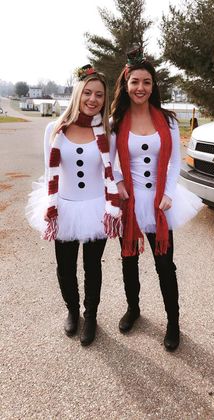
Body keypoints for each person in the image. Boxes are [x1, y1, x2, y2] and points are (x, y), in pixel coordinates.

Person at [110, 47, 203, 351]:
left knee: (166, 265)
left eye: (146, 82)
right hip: (131, 205)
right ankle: (133, 309)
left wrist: (168, 193)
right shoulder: (116, 121)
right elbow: (109, 161)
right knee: (129, 262)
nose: (140, 88)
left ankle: (173, 322)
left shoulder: (169, 120)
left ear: (153, 86)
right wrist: (120, 183)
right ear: (126, 85)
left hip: (160, 204)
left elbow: (175, 160)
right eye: (135, 82)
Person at [26, 65, 122, 346]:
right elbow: (48, 169)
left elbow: (113, 170)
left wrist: (121, 194)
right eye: (88, 93)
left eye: (100, 95)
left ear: (105, 100)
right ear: (78, 94)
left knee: (93, 266)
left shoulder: (107, 131)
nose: (93, 100)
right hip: (65, 207)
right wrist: (50, 205)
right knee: (65, 266)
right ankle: (72, 309)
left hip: (95, 209)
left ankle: (90, 315)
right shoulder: (54, 129)